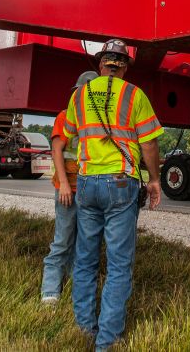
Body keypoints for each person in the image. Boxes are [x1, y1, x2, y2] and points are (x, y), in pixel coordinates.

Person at [63, 39, 163, 351]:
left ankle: (84, 326)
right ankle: (107, 340)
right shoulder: (134, 94)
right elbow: (148, 143)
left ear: (101, 64)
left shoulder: (79, 95)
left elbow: (68, 134)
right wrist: (155, 180)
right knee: (119, 265)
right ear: (124, 66)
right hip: (120, 182)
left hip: (87, 181)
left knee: (85, 258)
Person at [40, 70, 96, 305]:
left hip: (86, 188)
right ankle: (50, 293)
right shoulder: (65, 116)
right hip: (68, 188)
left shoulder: (95, 122)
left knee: (83, 243)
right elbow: (57, 150)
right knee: (63, 240)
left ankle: (75, 288)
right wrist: (63, 183)